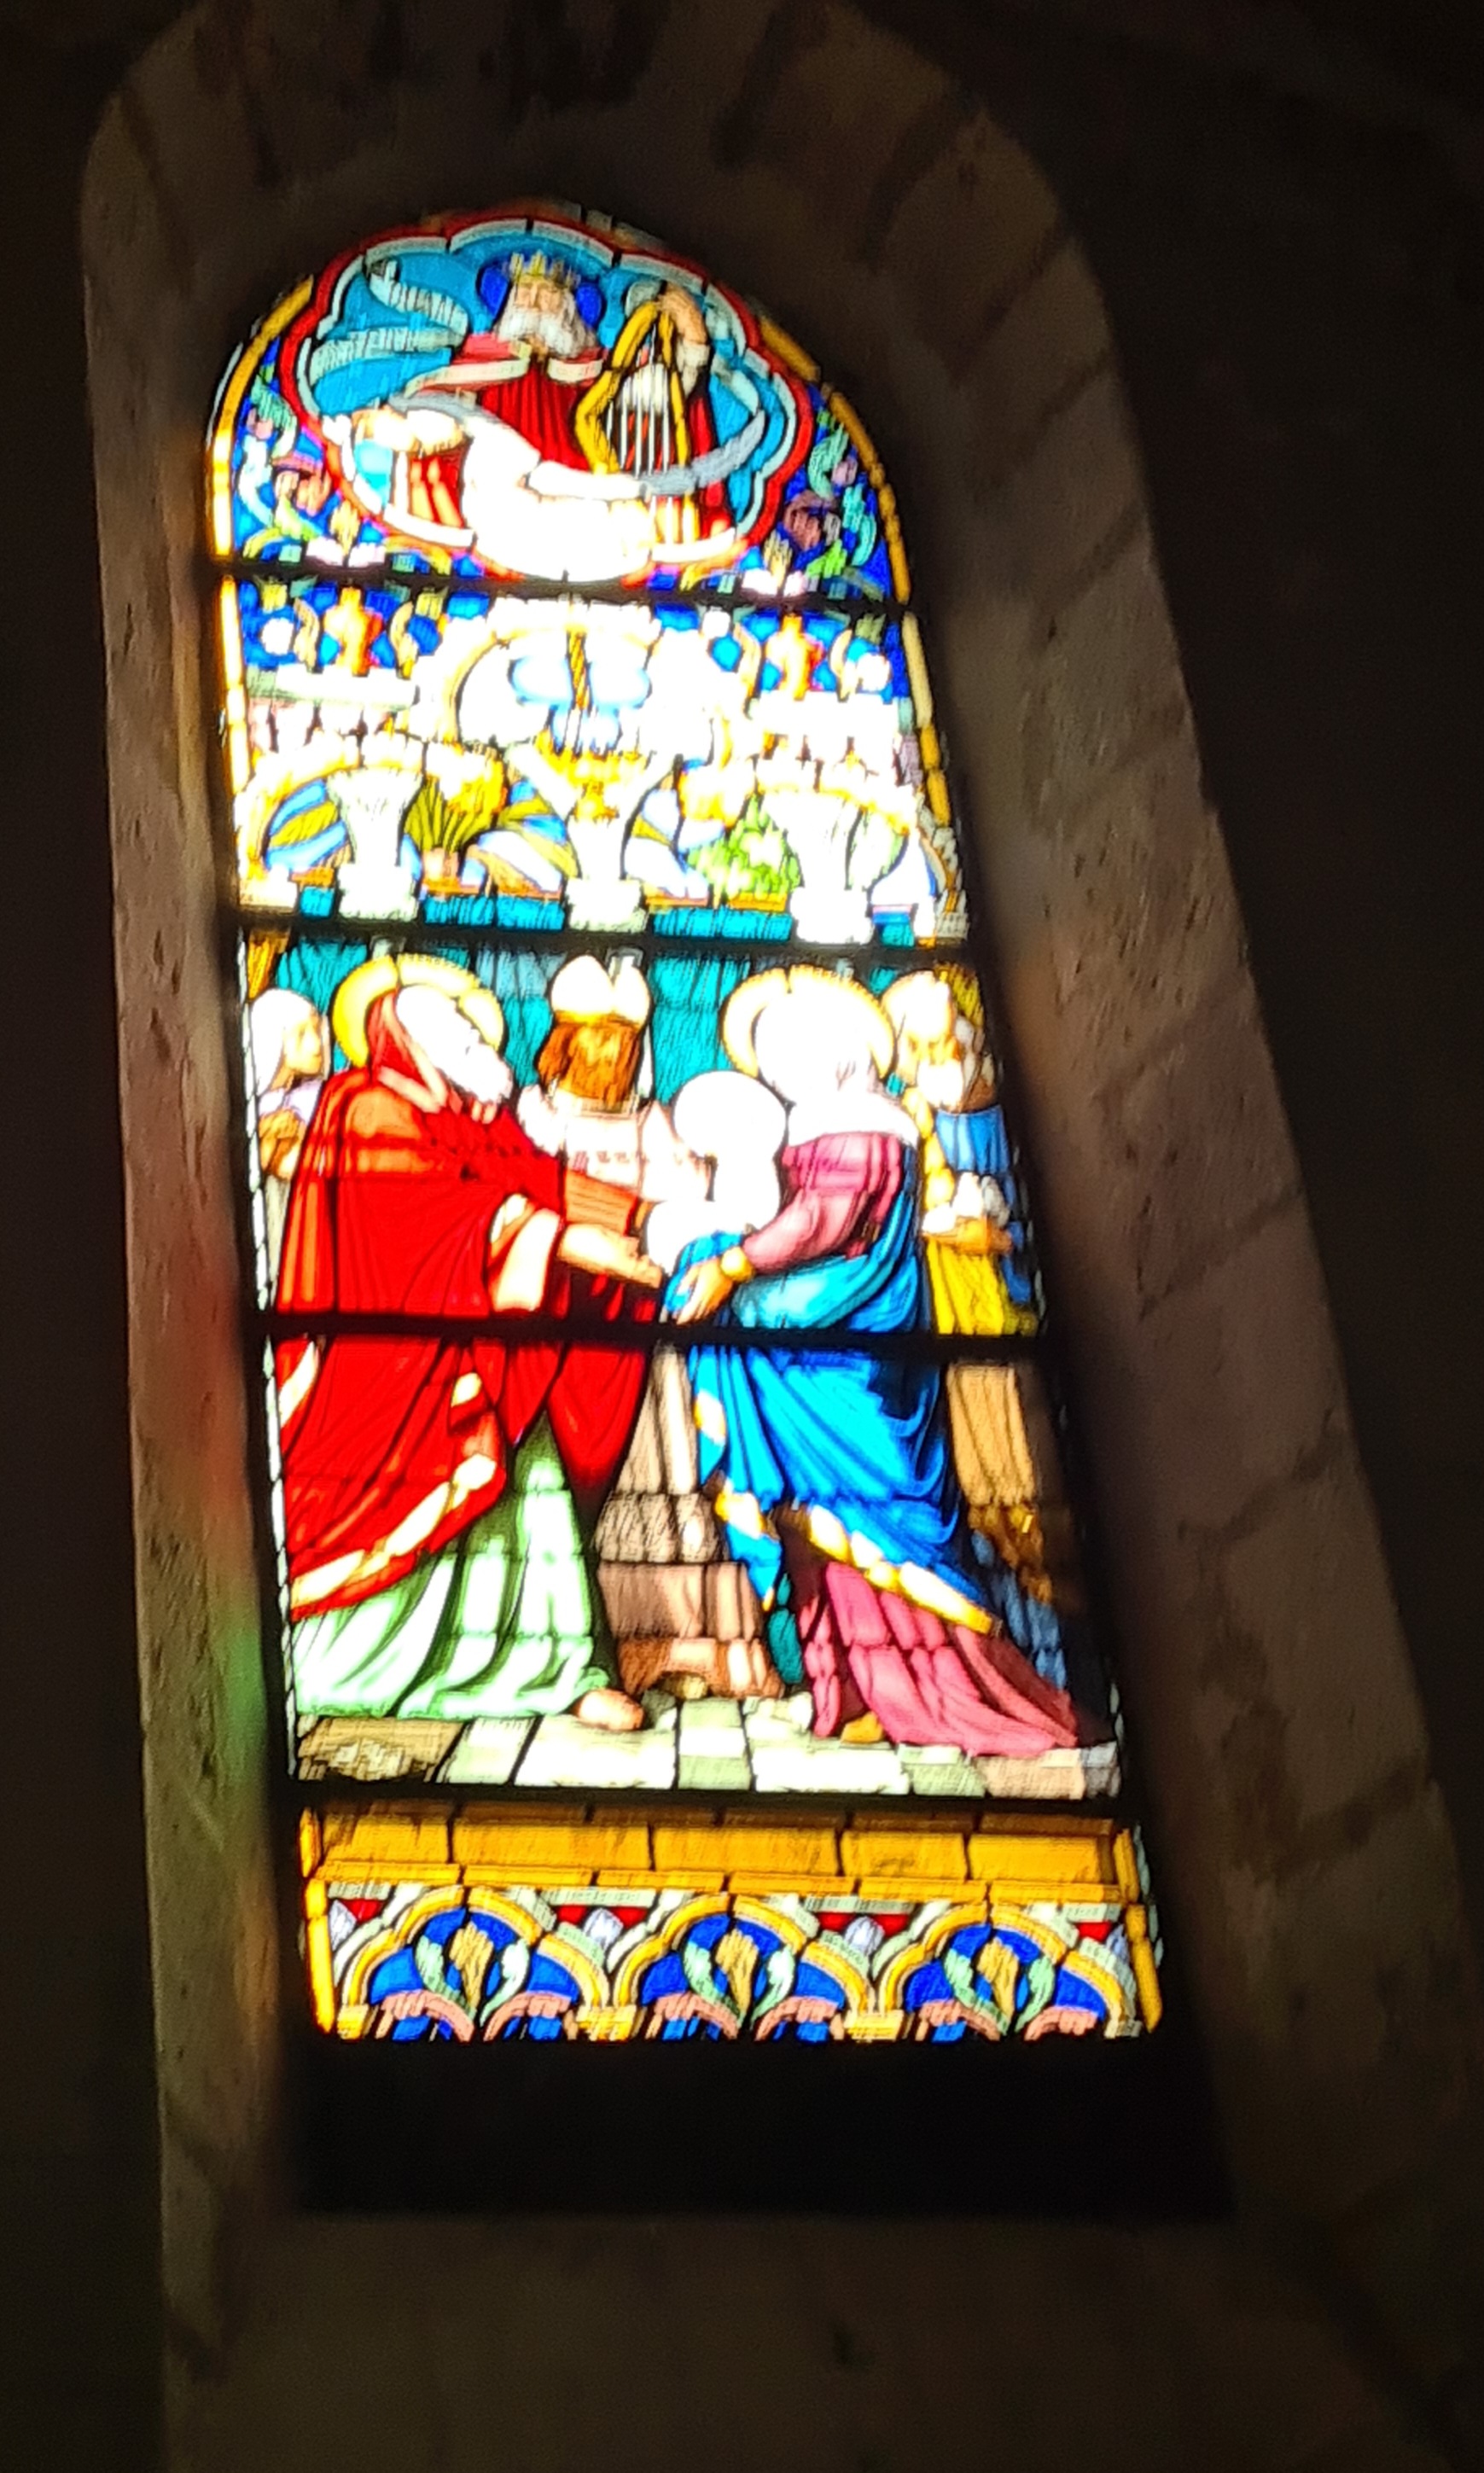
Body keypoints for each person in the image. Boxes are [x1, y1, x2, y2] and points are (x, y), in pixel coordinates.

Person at [666, 966, 1081, 1757]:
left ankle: (934, 1691)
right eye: (771, 1061)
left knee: (869, 1512)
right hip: (817, 1336)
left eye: (790, 1057)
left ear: (836, 1053)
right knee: (814, 1524)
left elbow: (822, 1222)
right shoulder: (827, 1125)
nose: (780, 1074)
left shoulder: (863, 1127)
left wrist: (731, 1264)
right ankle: (848, 1691)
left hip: (850, 1343)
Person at [277, 953, 659, 1737]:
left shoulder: (464, 1115)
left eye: (471, 1029)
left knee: (535, 1488)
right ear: (408, 1042)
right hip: (388, 1365)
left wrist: (641, 1220)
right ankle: (342, 1669)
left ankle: (566, 1670)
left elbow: (532, 1181)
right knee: (442, 1486)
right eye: (455, 1032)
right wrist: (571, 1243)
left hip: (480, 1349)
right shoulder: (365, 1104)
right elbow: (428, 1211)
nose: (477, 1041)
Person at [882, 969, 1037, 1338]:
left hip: (1016, 1277)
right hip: (953, 1289)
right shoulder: (913, 1119)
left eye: (950, 1039)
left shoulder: (1012, 1110)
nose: (947, 1053)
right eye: (924, 1046)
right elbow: (908, 1213)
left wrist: (1005, 1240)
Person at [247, 986, 328, 1283]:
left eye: (317, 1029)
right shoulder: (253, 1110)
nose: (316, 1044)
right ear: (274, 1041)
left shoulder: (315, 1097)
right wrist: (267, 1142)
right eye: (302, 1034)